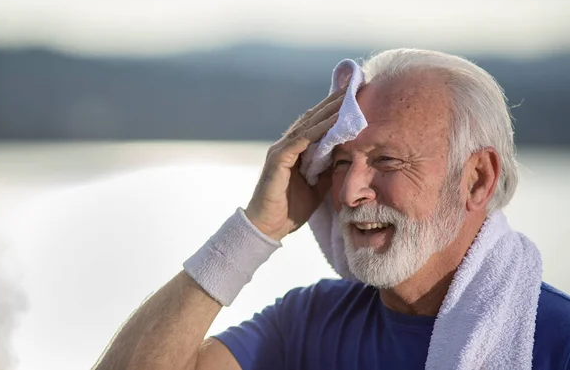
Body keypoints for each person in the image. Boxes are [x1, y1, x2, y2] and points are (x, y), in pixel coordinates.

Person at [93, 49, 570, 370]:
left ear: (477, 179)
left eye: (386, 160)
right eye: (341, 162)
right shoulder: (309, 322)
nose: (350, 192)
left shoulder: (554, 340)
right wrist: (256, 230)